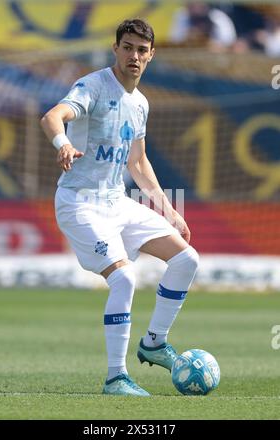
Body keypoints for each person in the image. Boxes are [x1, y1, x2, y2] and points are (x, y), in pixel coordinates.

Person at [40, 18, 199, 396]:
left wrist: (169, 211)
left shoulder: (140, 103)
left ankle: (155, 343)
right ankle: (116, 377)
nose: (134, 55)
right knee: (125, 277)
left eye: (142, 50)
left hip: (117, 202)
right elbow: (52, 116)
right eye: (127, 47)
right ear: (116, 49)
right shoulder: (93, 86)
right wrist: (62, 142)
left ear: (151, 55)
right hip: (80, 202)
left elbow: (138, 163)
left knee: (187, 259)